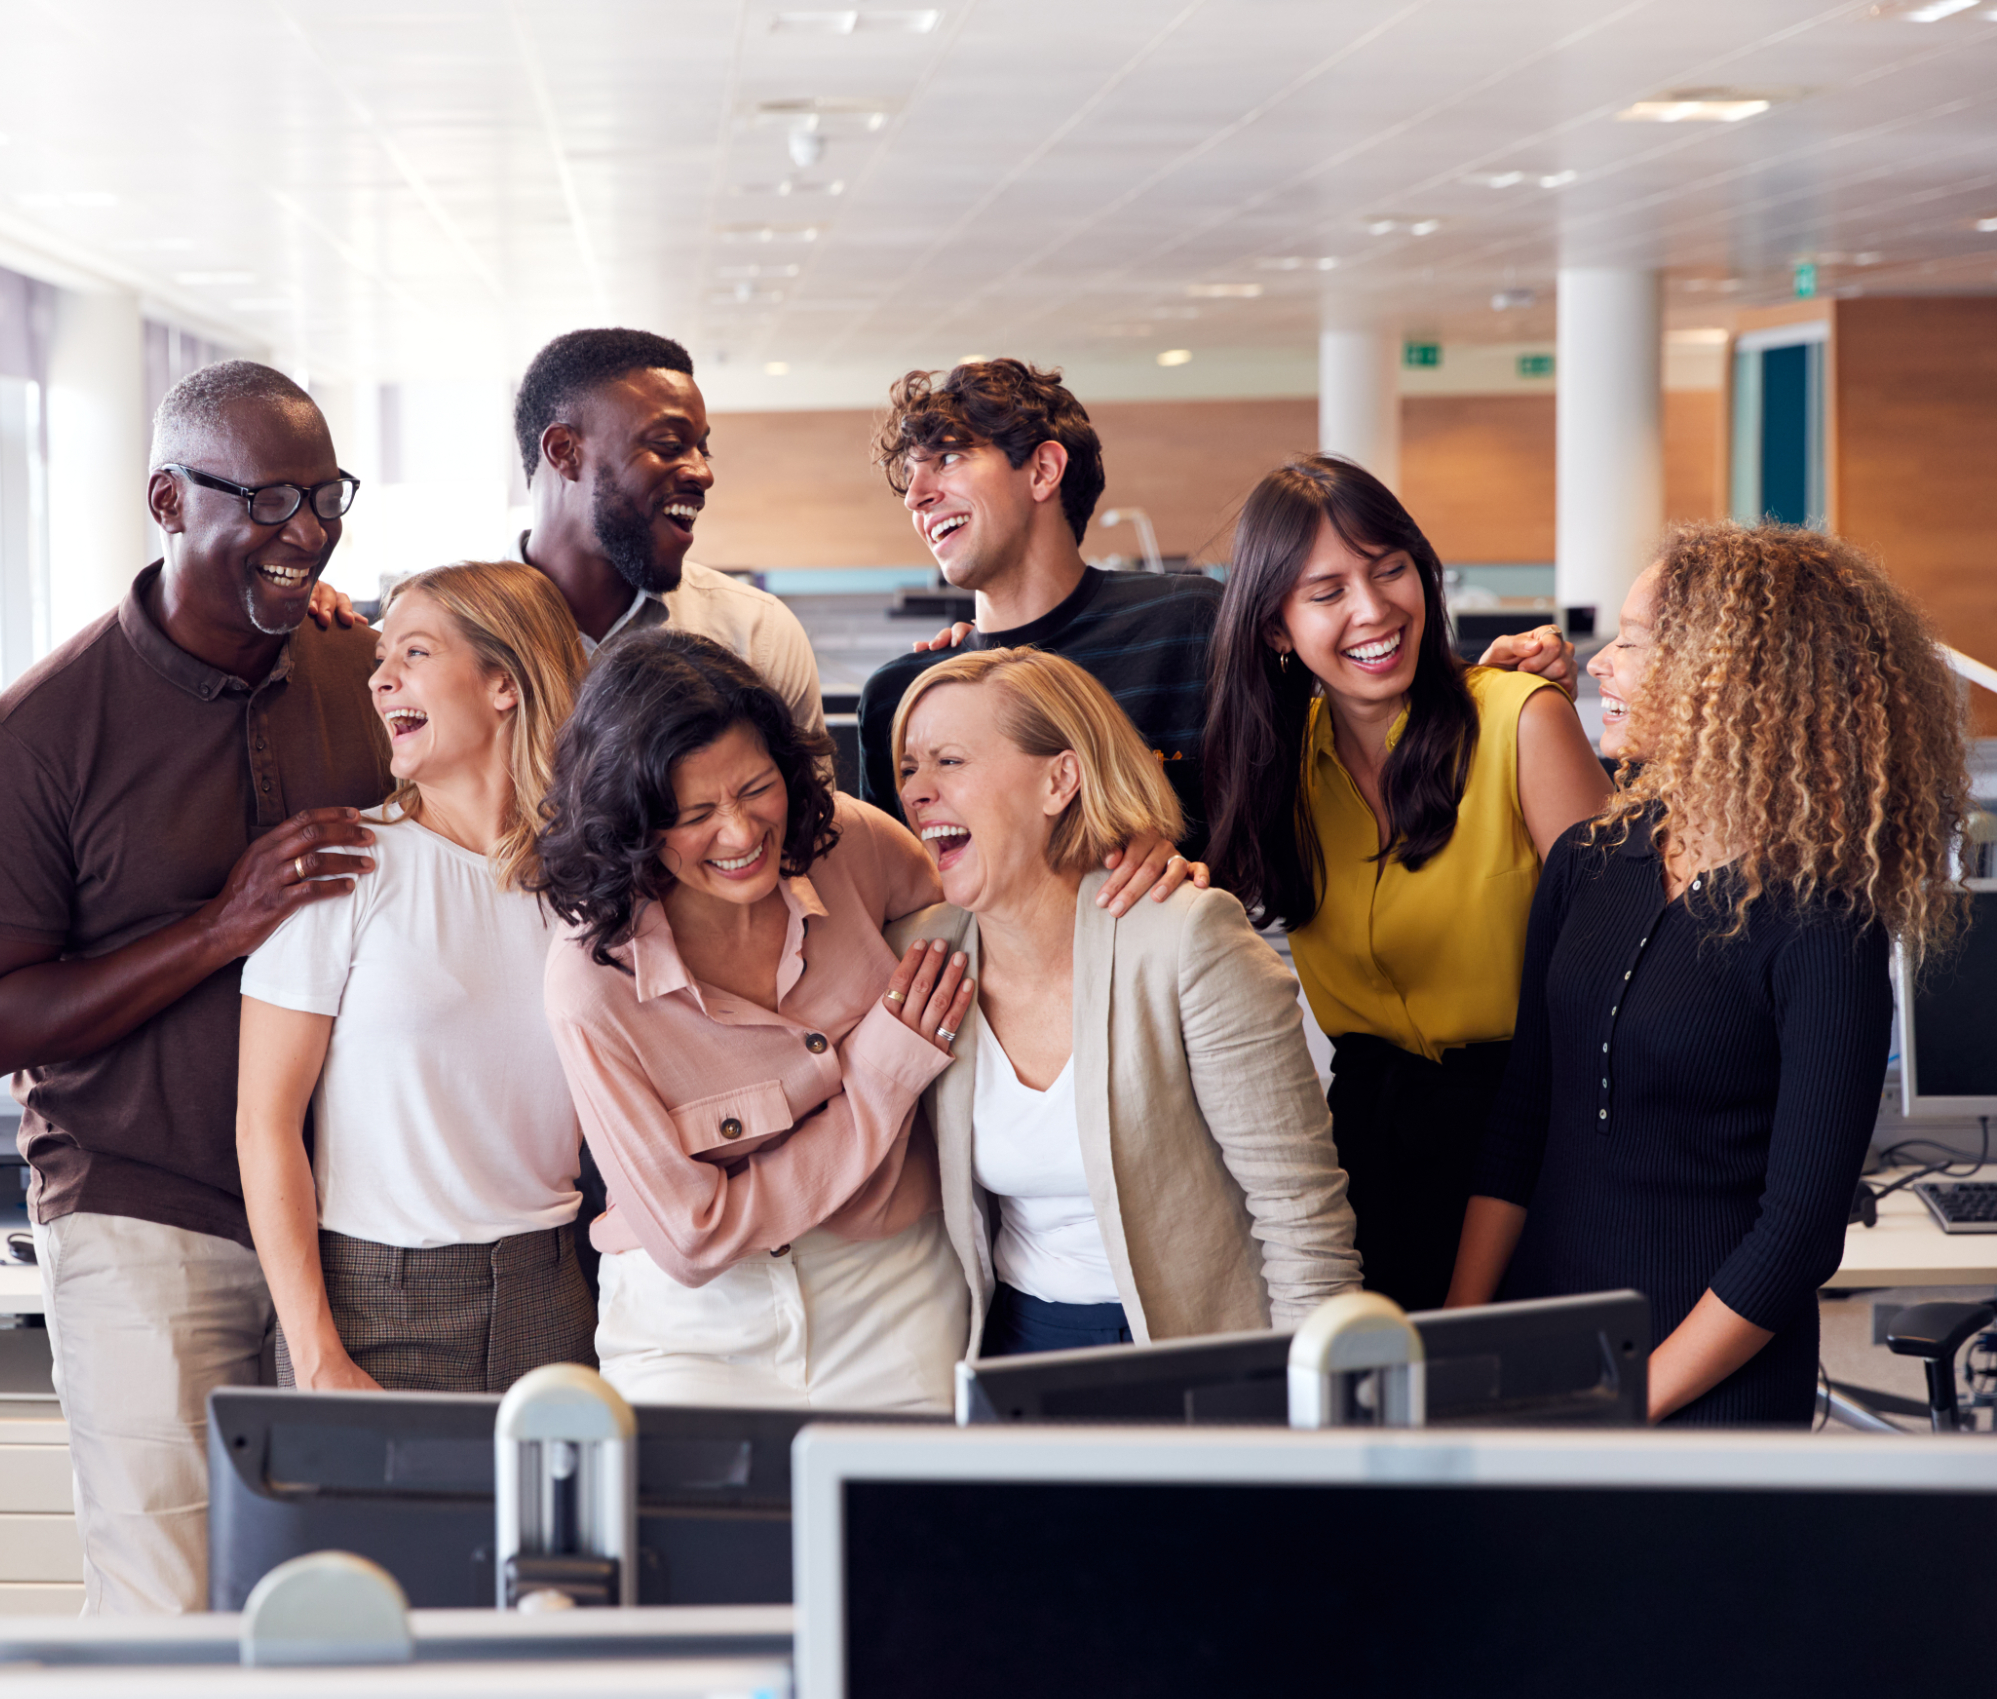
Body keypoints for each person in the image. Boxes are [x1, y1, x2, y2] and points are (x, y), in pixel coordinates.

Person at [0, 361, 389, 1614]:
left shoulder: (364, 674)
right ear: (168, 499)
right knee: (169, 1618)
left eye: (325, 495)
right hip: (146, 1207)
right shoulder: (33, 737)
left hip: (354, 1214)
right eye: (270, 500)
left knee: (352, 1609)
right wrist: (219, 927)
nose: (307, 531)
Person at [1447, 524, 1973, 1425]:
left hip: (1705, 1386)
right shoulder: (1588, 860)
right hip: (1543, 1345)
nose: (1600, 665)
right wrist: (1459, 1340)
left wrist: (1632, 1399)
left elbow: (1797, 1235)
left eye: (1633, 643)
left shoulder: (1823, 922)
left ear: (1726, 682)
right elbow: (1520, 1123)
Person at [856, 359, 1576, 861]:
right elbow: (899, 902)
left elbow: (1363, 717)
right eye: (909, 477)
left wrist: (1480, 694)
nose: (917, 495)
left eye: (947, 459)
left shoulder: (1196, 625)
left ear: (1043, 470)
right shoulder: (906, 697)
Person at [1200, 454, 1612, 1314]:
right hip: (1366, 1151)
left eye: (1389, 569)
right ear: (1275, 628)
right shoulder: (1279, 764)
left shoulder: (1521, 721)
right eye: (1326, 591)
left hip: (1542, 1135)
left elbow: (1619, 978)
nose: (1373, 608)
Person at [533, 630, 972, 1412]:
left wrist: (1129, 856)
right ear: (632, 824)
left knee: (911, 1532)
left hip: (888, 1283)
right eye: (695, 813)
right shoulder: (590, 981)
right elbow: (692, 1236)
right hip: (690, 1323)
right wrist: (879, 1079)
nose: (740, 834)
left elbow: (1002, 895)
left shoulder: (853, 844)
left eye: (756, 788)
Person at [887, 649, 1361, 1356]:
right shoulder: (920, 952)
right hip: (1011, 1343)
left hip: (1187, 1349)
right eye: (907, 768)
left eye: (948, 761)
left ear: (1060, 779)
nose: (917, 791)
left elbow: (1302, 1221)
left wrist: (1309, 1418)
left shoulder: (1186, 939)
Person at [238, 560, 594, 1393]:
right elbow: (265, 1126)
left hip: (555, 1294)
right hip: (371, 1312)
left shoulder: (592, 883)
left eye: (415, 653)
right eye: (380, 660)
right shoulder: (344, 867)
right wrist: (320, 1355)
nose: (381, 679)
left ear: (504, 682)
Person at [513, 326, 827, 736]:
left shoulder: (755, 634)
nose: (703, 472)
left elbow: (806, 800)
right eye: (668, 444)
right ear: (564, 451)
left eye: (703, 449)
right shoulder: (444, 635)